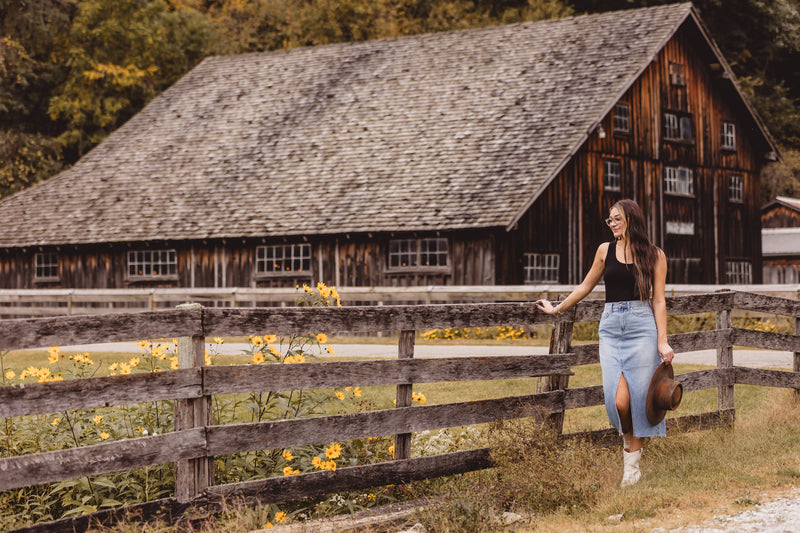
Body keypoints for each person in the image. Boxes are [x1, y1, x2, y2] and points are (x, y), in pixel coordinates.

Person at [535, 198, 674, 487]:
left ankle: (631, 469)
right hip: (611, 329)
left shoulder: (655, 255)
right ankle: (631, 451)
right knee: (618, 400)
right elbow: (587, 286)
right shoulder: (604, 250)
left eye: (616, 219)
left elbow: (659, 300)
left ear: (631, 219)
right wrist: (557, 308)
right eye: (609, 219)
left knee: (638, 399)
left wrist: (663, 341)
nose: (612, 224)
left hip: (642, 327)